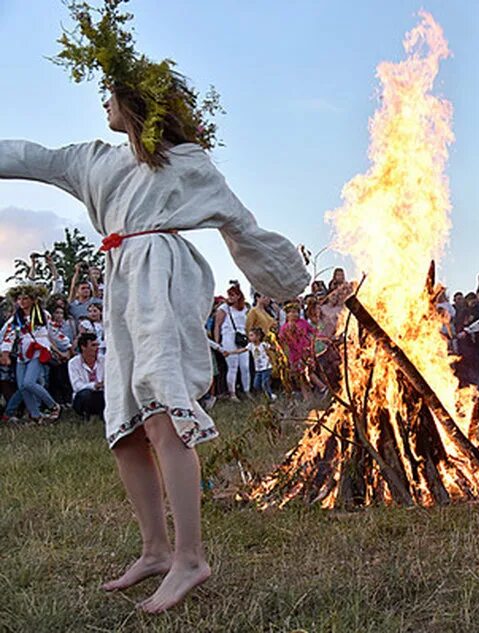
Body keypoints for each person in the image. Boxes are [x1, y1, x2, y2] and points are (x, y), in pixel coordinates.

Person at [0, 3, 309, 611]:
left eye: (111, 95)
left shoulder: (188, 163)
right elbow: (29, 157)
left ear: (137, 102)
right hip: (121, 283)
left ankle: (191, 557)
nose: (104, 105)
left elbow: (241, 227)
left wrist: (289, 282)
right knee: (125, 426)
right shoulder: (93, 160)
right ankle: (155, 549)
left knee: (165, 412)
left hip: (162, 278)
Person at [0, 283, 61, 423]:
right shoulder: (16, 318)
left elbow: (54, 331)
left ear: (33, 300)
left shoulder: (43, 314)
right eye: (19, 299)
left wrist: (67, 346)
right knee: (22, 386)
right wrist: (5, 353)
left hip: (38, 350)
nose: (22, 301)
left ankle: (53, 406)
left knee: (29, 383)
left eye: (25, 298)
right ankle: (36, 416)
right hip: (23, 353)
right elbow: (8, 335)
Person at [214, 284, 250, 400]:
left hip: (242, 336)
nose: (230, 297)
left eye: (233, 295)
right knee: (232, 366)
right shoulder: (224, 308)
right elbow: (217, 326)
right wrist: (217, 342)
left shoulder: (244, 308)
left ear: (239, 296)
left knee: (245, 366)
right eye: (229, 295)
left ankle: (247, 390)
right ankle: (232, 393)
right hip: (228, 336)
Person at [68, 332, 106, 418]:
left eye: (97, 345)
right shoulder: (73, 363)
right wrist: (94, 385)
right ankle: (86, 416)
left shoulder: (104, 360)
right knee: (85, 394)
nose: (97, 348)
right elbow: (76, 386)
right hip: (82, 398)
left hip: (101, 394)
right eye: (93, 345)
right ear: (83, 347)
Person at [245, 327, 275, 401]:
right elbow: (243, 350)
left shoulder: (264, 345)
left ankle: (270, 397)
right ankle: (266, 394)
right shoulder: (250, 346)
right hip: (258, 369)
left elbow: (272, 349)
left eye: (252, 335)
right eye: (249, 335)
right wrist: (231, 353)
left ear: (258, 336)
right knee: (256, 384)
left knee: (264, 383)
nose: (250, 337)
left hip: (266, 367)